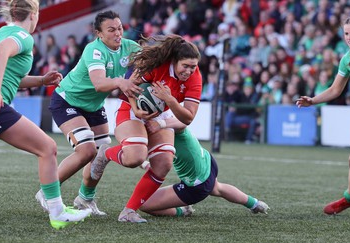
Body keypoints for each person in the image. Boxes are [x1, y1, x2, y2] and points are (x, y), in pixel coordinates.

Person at [0, 0, 91, 229]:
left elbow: (8, 74)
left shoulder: (4, 30)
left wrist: (41, 80)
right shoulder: (23, 36)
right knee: (47, 148)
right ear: (34, 14)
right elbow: (0, 54)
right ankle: (58, 212)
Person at [35, 10, 143, 216]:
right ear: (99, 34)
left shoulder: (131, 47)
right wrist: (121, 81)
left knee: (101, 154)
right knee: (87, 151)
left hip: (93, 106)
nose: (118, 33)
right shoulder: (94, 50)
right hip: (68, 100)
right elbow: (99, 83)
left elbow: (151, 63)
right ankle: (47, 191)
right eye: (111, 30)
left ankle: (85, 199)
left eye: (120, 28)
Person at [91, 34, 203, 222]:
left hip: (163, 112)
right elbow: (129, 86)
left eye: (193, 66)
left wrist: (170, 100)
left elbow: (188, 117)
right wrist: (136, 109)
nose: (189, 71)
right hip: (132, 107)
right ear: (174, 61)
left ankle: (128, 212)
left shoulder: (195, 77)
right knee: (135, 157)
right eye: (185, 66)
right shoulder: (157, 65)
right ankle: (106, 153)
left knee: (164, 162)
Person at [296, 15, 350, 215]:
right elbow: (335, 89)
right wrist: (313, 100)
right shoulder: (347, 59)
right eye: (346, 33)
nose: (349, 37)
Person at [138, 116, 270, 217]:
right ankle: (254, 203)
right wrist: (144, 162)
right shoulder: (165, 121)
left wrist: (161, 124)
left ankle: (182, 211)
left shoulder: (167, 124)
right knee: (217, 188)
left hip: (196, 184)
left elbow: (183, 122)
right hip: (207, 163)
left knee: (143, 203)